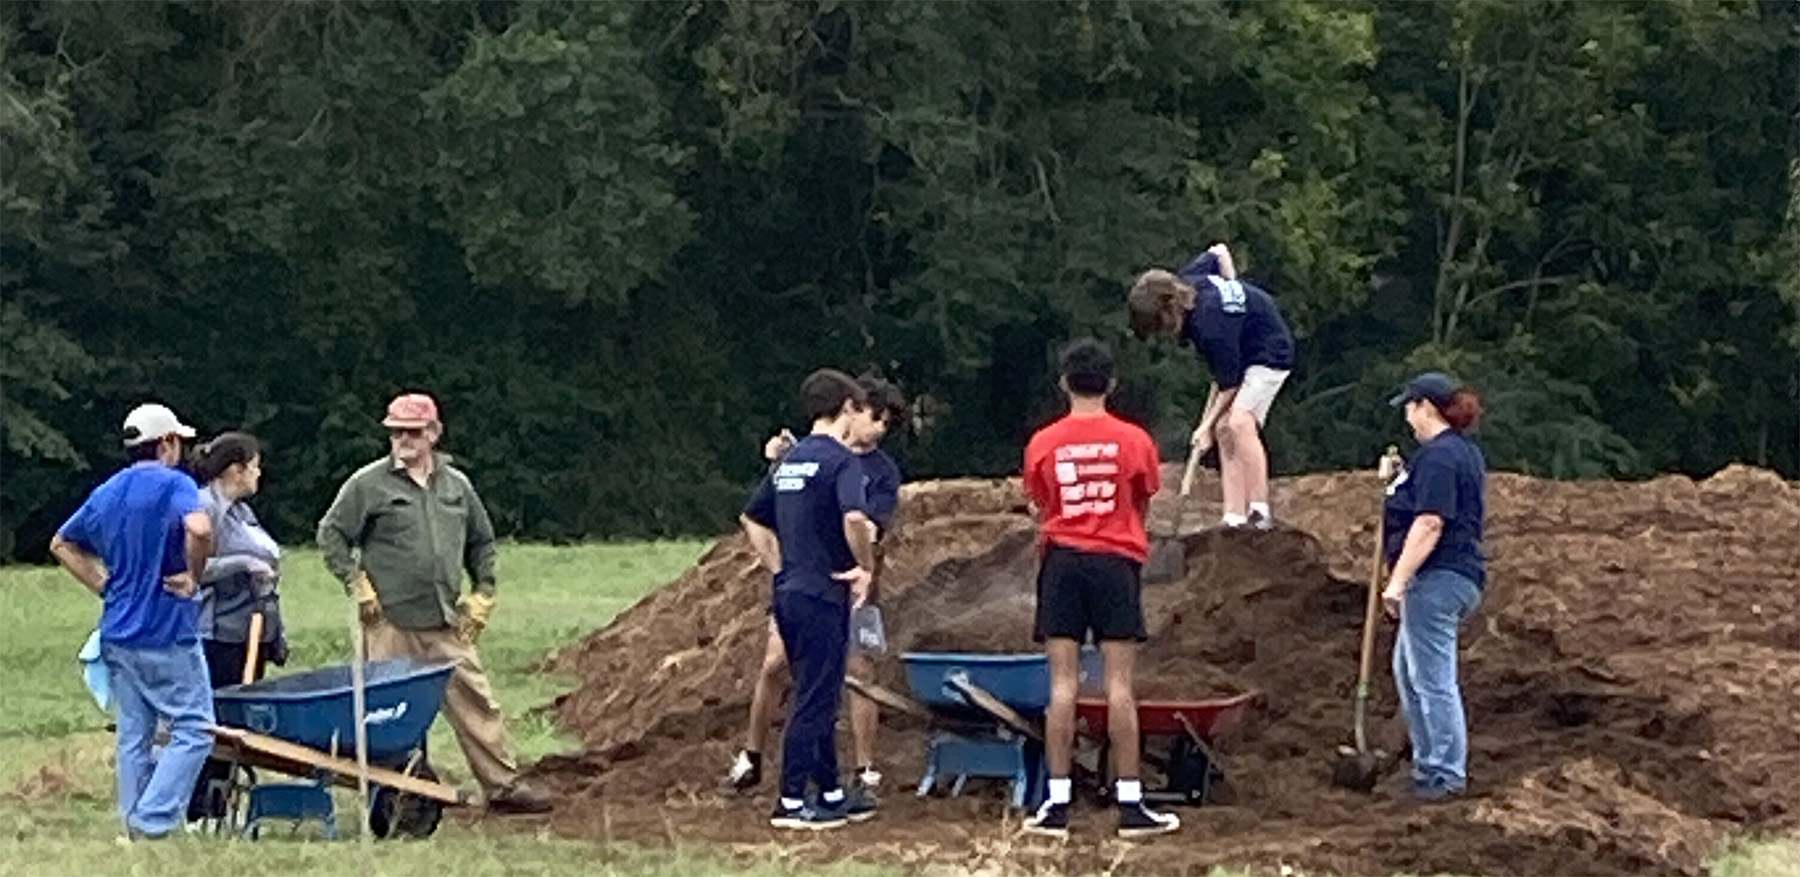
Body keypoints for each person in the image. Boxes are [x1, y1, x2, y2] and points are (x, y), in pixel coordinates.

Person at [315, 392, 552, 815]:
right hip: (389, 622)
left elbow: (481, 541)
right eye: (395, 432)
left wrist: (484, 591)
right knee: (392, 714)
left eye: (412, 431)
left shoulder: (456, 486)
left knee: (477, 702)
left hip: (446, 621)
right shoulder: (368, 484)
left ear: (433, 433)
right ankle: (402, 793)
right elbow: (331, 534)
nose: (402, 440)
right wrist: (357, 583)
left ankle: (502, 787)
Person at [1020, 340, 1180, 839]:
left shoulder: (1044, 442)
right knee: (1119, 687)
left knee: (1062, 685)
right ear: (1112, 384)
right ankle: (1131, 804)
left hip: (1063, 561)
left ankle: (1057, 803)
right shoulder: (1134, 440)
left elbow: (1039, 504)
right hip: (1116, 561)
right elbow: (1143, 499)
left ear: (1063, 383)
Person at [725, 376, 906, 797]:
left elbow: (761, 513)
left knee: (844, 677)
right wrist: (861, 565)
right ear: (850, 408)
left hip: (807, 587)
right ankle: (788, 794)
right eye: (871, 415)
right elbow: (855, 521)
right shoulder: (835, 461)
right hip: (825, 587)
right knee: (810, 693)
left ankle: (838, 786)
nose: (877, 427)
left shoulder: (811, 461)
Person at [48, 403, 215, 841]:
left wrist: (104, 586)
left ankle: (132, 826)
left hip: (117, 631)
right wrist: (194, 577)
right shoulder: (175, 483)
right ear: (166, 443)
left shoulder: (107, 491)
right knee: (195, 729)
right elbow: (199, 528)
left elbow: (62, 543)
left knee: (134, 734)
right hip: (166, 629)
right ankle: (154, 820)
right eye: (179, 441)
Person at [1128, 242, 1295, 528]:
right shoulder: (1188, 280)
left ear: (1169, 310)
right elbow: (1219, 251)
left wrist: (1203, 427)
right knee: (1223, 429)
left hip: (1270, 354)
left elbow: (1229, 386)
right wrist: (1235, 287)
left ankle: (1259, 510)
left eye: (1159, 326)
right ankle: (1233, 515)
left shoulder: (1210, 326)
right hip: (1244, 349)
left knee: (1240, 424)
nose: (1164, 334)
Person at [1380, 372, 1488, 802]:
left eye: (1409, 408)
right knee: (1410, 674)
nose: (1407, 418)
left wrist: (1397, 582)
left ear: (1426, 406)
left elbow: (1430, 522)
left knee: (1431, 680)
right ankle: (1429, 769)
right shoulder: (1452, 455)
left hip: (1439, 578)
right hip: (1448, 578)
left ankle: (1444, 774)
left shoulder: (1441, 458)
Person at [185, 431, 289, 823]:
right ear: (235, 469)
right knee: (217, 727)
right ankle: (200, 810)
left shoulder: (243, 513)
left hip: (252, 633)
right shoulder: (203, 509)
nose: (260, 473)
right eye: (255, 465)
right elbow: (191, 570)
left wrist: (277, 633)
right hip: (216, 635)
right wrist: (242, 565)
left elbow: (268, 571)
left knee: (238, 725)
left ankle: (221, 806)